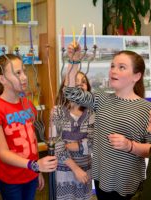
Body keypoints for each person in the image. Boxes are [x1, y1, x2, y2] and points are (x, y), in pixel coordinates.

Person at [64, 43, 151, 200]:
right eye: (112, 66)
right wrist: (74, 61)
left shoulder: (147, 109)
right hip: (102, 179)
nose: (113, 71)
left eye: (122, 67)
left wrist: (130, 146)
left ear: (137, 76)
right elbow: (71, 92)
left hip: (129, 184)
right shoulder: (101, 98)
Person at [0, 53, 57, 200]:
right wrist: (35, 166)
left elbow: (33, 141)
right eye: (18, 73)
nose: (24, 77)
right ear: (2, 79)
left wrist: (37, 170)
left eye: (24, 71)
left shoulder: (28, 104)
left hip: (30, 173)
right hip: (11, 179)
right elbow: (3, 153)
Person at [52, 71, 95, 200]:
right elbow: (57, 145)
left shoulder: (92, 112)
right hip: (63, 171)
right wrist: (75, 169)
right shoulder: (57, 111)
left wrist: (76, 146)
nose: (80, 84)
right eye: (75, 81)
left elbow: (94, 142)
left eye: (83, 82)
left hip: (85, 169)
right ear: (65, 87)